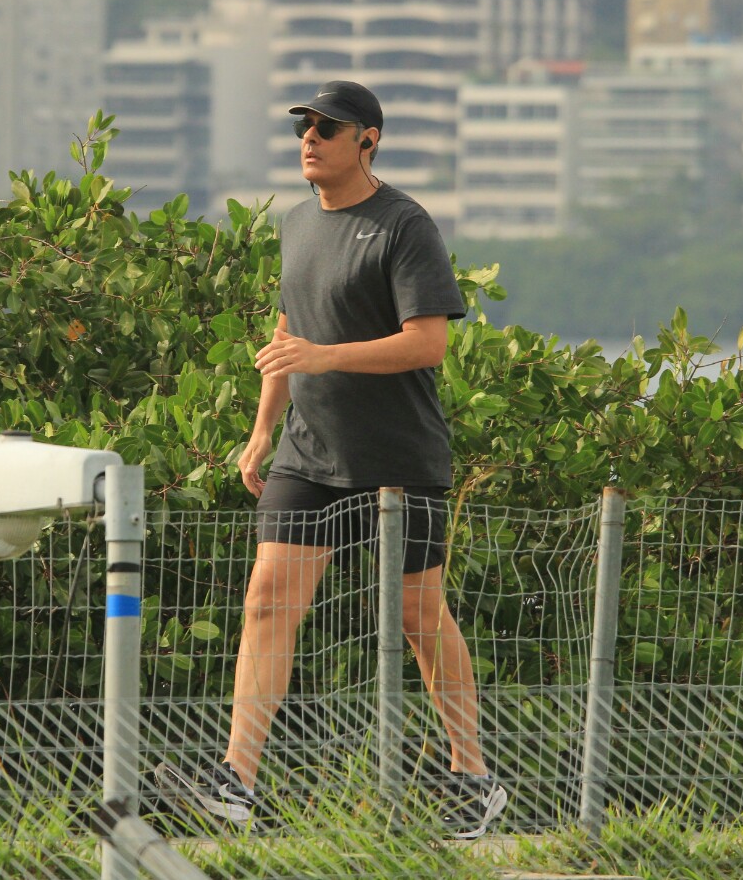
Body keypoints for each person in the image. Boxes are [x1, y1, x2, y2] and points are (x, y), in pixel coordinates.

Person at [158, 80, 508, 840]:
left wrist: (326, 354)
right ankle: (236, 781)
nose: (309, 139)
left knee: (419, 616)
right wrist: (260, 431)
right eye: (303, 127)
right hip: (307, 456)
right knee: (266, 603)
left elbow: (428, 342)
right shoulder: (293, 224)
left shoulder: (403, 224)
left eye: (327, 127)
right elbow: (289, 332)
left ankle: (473, 776)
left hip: (400, 459)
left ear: (368, 140)